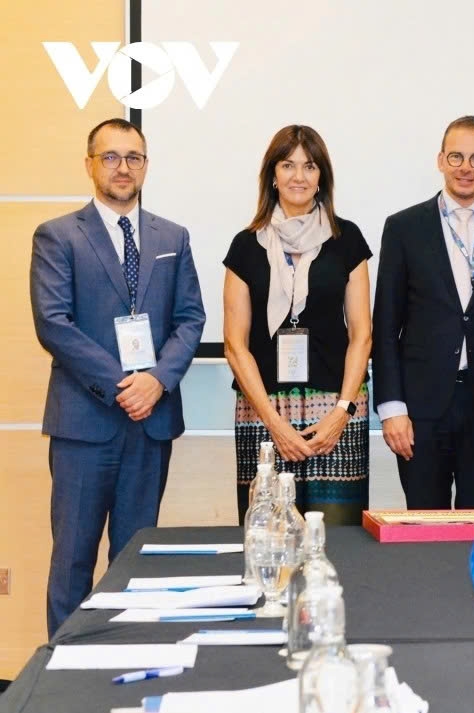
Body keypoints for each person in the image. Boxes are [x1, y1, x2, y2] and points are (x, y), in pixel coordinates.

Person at [31, 118, 204, 635]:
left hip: (150, 425)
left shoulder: (172, 236)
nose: (122, 167)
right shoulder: (58, 235)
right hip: (86, 423)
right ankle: (62, 679)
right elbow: (53, 323)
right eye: (110, 156)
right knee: (73, 564)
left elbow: (190, 318)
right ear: (90, 164)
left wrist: (157, 380)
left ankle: (128, 662)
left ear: (146, 165)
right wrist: (123, 385)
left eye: (133, 157)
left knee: (136, 562)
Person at [373, 116, 474, 510]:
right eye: (457, 156)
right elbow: (386, 324)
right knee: (424, 527)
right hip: (420, 412)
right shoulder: (403, 228)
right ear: (440, 160)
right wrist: (392, 408)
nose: (466, 167)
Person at [223, 125, 372, 525]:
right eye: (288, 165)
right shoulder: (245, 245)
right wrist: (275, 424)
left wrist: (343, 410)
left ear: (322, 176)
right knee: (268, 541)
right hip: (263, 409)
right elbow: (235, 346)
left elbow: (362, 335)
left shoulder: (348, 239)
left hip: (335, 413)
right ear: (272, 175)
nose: (298, 176)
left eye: (309, 166)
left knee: (339, 548)